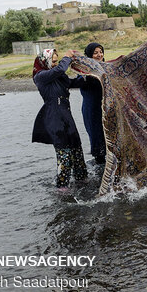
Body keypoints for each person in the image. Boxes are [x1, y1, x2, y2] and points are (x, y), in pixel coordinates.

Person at [32, 48, 88, 188]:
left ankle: (82, 180)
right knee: (64, 154)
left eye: (57, 61)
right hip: (54, 118)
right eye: (54, 61)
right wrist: (67, 58)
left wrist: (86, 73)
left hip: (66, 116)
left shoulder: (58, 76)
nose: (56, 64)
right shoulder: (41, 76)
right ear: (45, 61)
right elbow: (58, 70)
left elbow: (74, 83)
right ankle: (62, 188)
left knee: (77, 149)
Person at [78, 43, 106, 164]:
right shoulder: (84, 70)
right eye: (95, 53)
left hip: (107, 109)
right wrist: (90, 75)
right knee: (96, 137)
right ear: (90, 55)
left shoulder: (106, 67)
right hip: (92, 110)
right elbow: (79, 82)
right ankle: (100, 168)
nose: (99, 55)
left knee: (110, 139)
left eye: (101, 52)